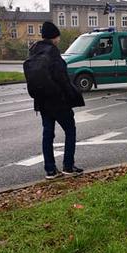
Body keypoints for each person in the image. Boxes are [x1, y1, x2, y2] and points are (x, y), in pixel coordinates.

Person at [28, 21, 85, 179]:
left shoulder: (34, 51)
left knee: (47, 134)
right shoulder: (53, 53)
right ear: (55, 37)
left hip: (41, 102)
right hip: (58, 101)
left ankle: (50, 170)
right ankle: (68, 166)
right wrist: (73, 96)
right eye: (58, 36)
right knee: (70, 130)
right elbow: (63, 80)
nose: (59, 39)